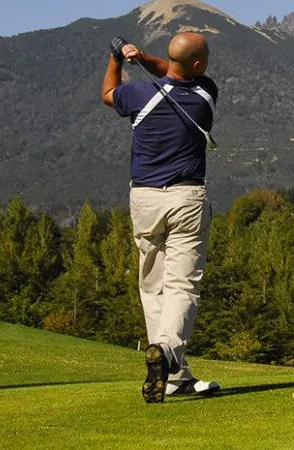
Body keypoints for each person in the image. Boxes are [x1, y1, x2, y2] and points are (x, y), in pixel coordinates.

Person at [101, 32, 221, 403]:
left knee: (153, 286)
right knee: (182, 285)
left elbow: (108, 93)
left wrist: (118, 58)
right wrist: (143, 57)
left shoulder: (139, 95)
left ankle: (174, 376)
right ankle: (168, 355)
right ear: (198, 64)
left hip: (144, 199)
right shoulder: (205, 94)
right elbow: (174, 69)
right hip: (186, 198)